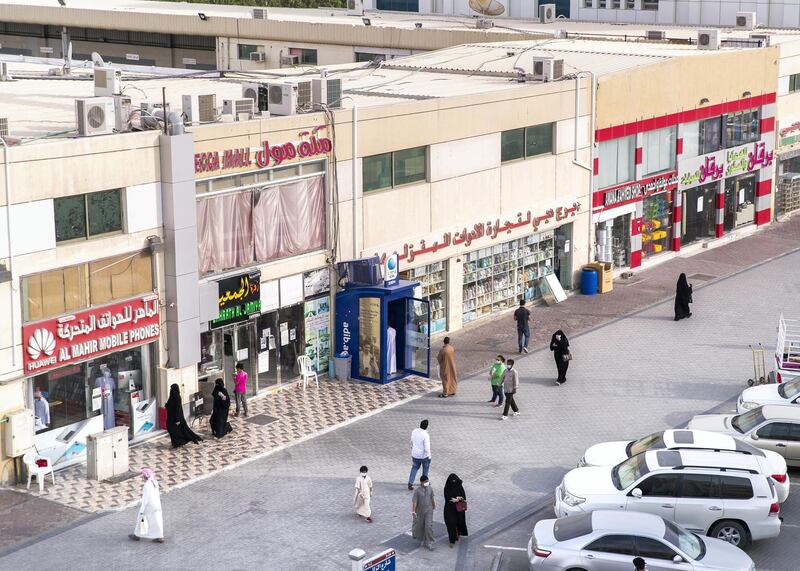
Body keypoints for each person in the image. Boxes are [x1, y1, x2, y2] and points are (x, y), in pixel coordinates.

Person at [129, 468, 164, 543]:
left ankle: (137, 535)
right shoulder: (155, 482)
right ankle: (160, 536)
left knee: (141, 519)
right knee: (157, 521)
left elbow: (145, 499)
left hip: (149, 506)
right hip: (157, 505)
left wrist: (142, 509)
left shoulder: (147, 485)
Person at [165, 384, 203, 448]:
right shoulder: (172, 396)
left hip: (176, 418)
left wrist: (177, 420)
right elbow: (169, 405)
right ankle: (176, 443)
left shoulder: (177, 397)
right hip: (171, 418)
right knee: (173, 430)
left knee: (180, 431)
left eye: (172, 389)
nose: (171, 390)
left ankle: (181, 441)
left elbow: (178, 409)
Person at [443, 473, 468, 548]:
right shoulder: (447, 488)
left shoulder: (459, 486)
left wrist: (459, 498)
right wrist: (452, 500)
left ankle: (458, 534)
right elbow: (447, 498)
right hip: (449, 509)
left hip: (459, 509)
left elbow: (464, 497)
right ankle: (452, 541)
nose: (453, 483)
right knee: (450, 524)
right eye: (452, 481)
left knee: (459, 522)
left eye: (455, 481)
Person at [412, 475, 436, 551]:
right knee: (421, 525)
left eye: (427, 481)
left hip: (429, 510)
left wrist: (434, 505)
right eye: (425, 482)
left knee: (428, 526)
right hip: (420, 511)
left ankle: (429, 542)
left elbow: (432, 497)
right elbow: (414, 502)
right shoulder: (417, 491)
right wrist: (413, 511)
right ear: (421, 482)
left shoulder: (430, 488)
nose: (427, 483)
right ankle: (422, 538)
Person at [408, 419, 431, 490]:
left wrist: (412, 450)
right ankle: (425, 483)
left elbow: (411, 442)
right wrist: (429, 455)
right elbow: (427, 448)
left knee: (414, 468)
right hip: (424, 456)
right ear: (427, 426)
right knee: (425, 469)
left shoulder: (414, 431)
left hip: (415, 455)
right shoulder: (425, 435)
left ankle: (410, 483)